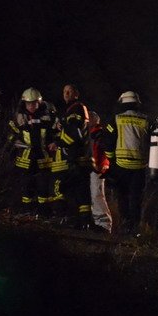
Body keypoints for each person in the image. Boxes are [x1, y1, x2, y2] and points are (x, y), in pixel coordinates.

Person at [103, 91, 151, 235]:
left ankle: (124, 224)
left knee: (122, 196)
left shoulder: (116, 119)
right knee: (136, 198)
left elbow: (109, 141)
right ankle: (135, 228)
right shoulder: (146, 120)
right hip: (140, 166)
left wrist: (111, 161)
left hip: (121, 165)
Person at [8, 88, 57, 219]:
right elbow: (10, 134)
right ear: (24, 103)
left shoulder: (48, 115)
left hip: (44, 157)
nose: (31, 106)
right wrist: (16, 142)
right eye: (28, 103)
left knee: (44, 187)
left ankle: (44, 214)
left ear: (39, 102)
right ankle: (27, 212)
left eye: (34, 103)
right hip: (25, 158)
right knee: (26, 187)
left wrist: (55, 142)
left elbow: (57, 132)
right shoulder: (18, 116)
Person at [56, 84, 95, 229]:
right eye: (64, 91)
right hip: (79, 157)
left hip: (77, 158)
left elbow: (74, 134)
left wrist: (59, 142)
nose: (66, 94)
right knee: (81, 191)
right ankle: (83, 222)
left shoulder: (76, 108)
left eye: (69, 91)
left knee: (69, 189)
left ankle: (77, 221)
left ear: (76, 94)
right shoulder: (71, 110)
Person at [87, 111, 113, 232]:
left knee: (97, 195)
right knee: (95, 195)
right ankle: (99, 222)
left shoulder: (97, 134)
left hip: (97, 168)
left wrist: (99, 166)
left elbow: (99, 152)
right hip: (95, 168)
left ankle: (104, 224)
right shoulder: (94, 134)